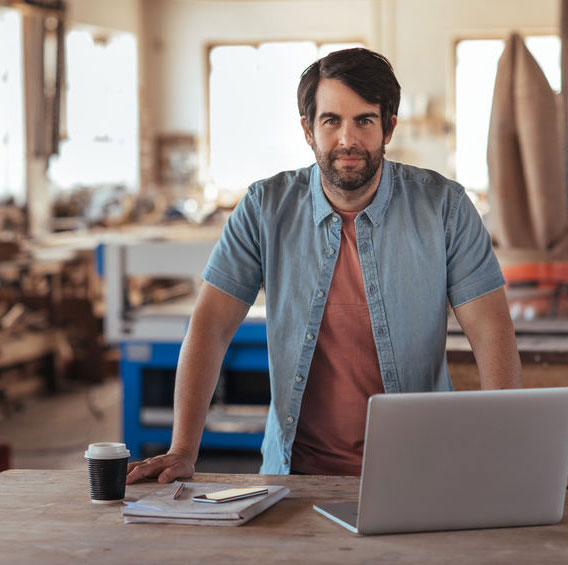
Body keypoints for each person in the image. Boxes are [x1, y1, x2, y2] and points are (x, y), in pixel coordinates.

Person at [127, 47, 522, 483]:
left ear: (388, 127)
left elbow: (491, 330)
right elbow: (210, 327)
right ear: (308, 129)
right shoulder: (264, 207)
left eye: (364, 121)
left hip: (418, 472)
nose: (347, 140)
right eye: (331, 120)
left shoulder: (444, 207)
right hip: (294, 477)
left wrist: (505, 448)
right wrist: (183, 448)